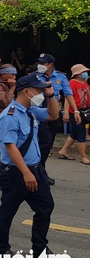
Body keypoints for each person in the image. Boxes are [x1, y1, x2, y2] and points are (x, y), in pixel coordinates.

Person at [0, 74, 59, 258]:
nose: (41, 94)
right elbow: (10, 146)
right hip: (16, 173)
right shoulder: (10, 115)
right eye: (38, 90)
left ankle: (40, 248)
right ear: (26, 91)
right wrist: (26, 173)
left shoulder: (30, 111)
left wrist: (51, 95)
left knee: (45, 207)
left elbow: (53, 115)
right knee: (8, 210)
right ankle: (1, 249)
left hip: (35, 169)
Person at [34, 53, 77, 186]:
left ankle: (39, 169)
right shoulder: (34, 76)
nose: (40, 65)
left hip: (52, 111)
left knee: (48, 142)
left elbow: (68, 94)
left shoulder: (60, 77)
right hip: (37, 111)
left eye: (43, 63)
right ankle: (36, 170)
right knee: (44, 140)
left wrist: (75, 111)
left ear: (50, 65)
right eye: (39, 62)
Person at [57, 64, 90, 164]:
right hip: (75, 112)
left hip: (84, 111)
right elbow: (68, 98)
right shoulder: (72, 83)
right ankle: (83, 157)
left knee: (75, 133)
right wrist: (66, 112)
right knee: (81, 134)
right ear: (78, 74)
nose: (86, 74)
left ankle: (63, 150)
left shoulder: (84, 82)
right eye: (83, 72)